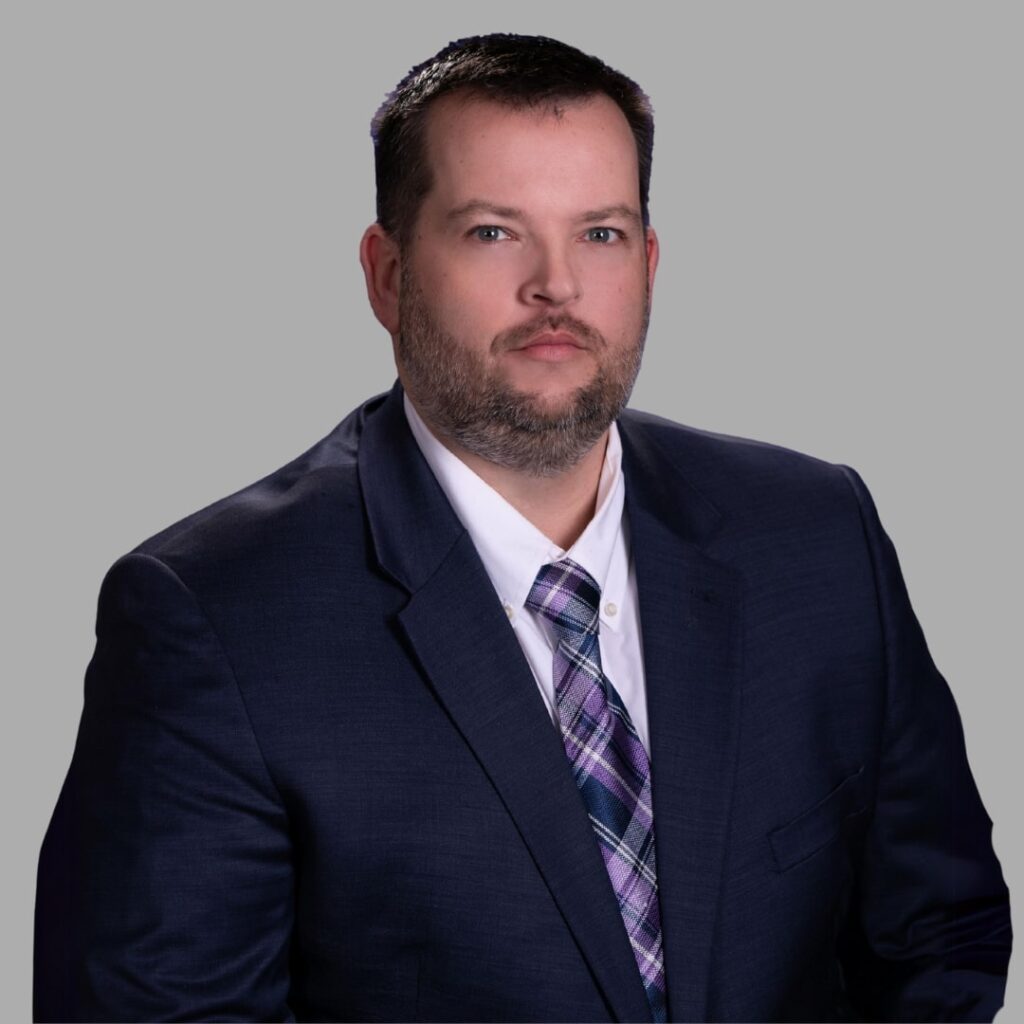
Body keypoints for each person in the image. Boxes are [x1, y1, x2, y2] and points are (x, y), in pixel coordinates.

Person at [34, 32, 1010, 1023]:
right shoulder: (215, 618)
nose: (557, 285)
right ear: (386, 273)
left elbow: (938, 933)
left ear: (650, 261)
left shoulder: (815, 536)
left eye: (600, 233)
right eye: (493, 232)